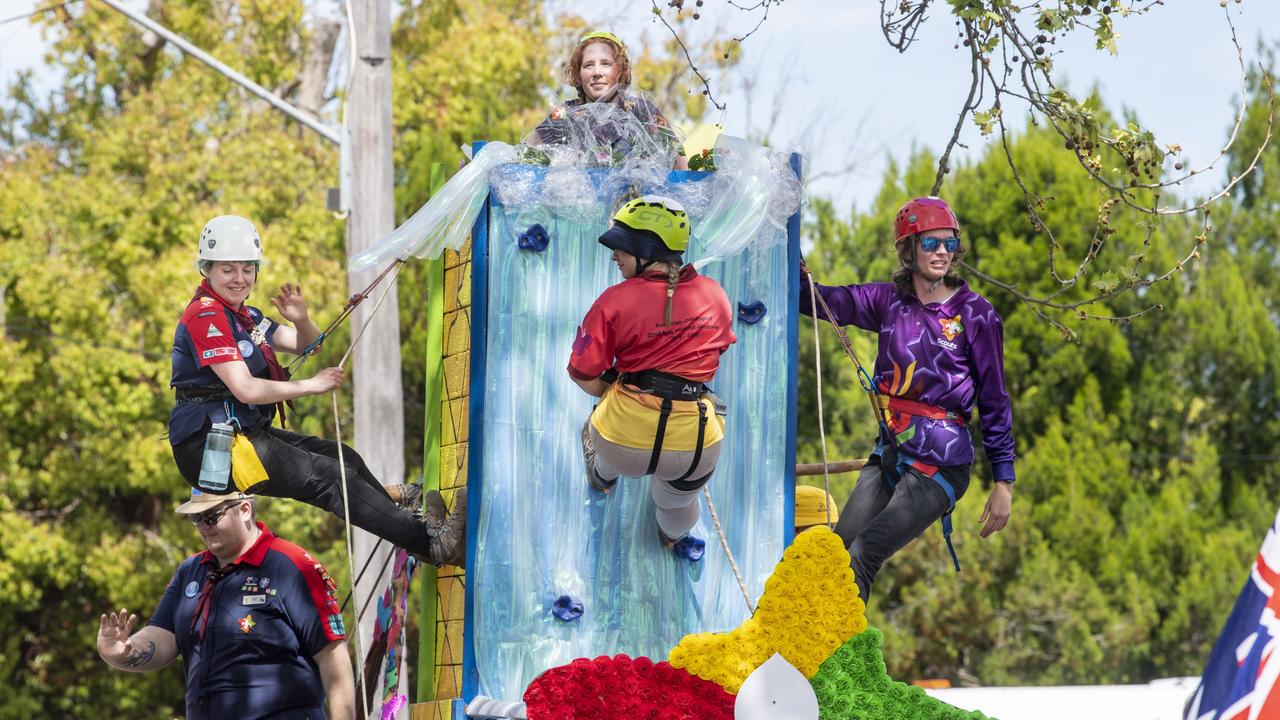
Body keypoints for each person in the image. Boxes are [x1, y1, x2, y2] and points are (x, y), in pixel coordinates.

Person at [168, 215, 466, 567]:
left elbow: (307, 346)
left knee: (343, 458)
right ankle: (434, 545)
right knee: (327, 478)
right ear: (207, 270)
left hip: (240, 435)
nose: (239, 278)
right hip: (208, 447)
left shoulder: (244, 316)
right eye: (228, 270)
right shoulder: (205, 317)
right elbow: (245, 389)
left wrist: (301, 319)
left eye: (247, 269)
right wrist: (311, 386)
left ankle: (414, 531)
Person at [800, 196, 1016, 604]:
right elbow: (822, 300)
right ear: (909, 248)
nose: (941, 253)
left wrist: (1003, 481)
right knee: (835, 553)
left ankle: (844, 663)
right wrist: (785, 247)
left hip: (942, 465)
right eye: (931, 243)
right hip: (891, 454)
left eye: (949, 244)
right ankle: (808, 653)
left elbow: (995, 400)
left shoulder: (977, 315)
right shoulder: (888, 302)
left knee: (862, 554)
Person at [568, 195, 736, 557]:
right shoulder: (715, 295)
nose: (614, 255)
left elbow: (582, 374)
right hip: (695, 447)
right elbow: (716, 352)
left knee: (604, 429)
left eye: (621, 247)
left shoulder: (613, 300)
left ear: (645, 250)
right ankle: (671, 535)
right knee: (675, 501)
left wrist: (613, 387)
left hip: (622, 441)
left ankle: (602, 475)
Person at [97, 490, 355, 720]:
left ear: (245, 509)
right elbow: (164, 636)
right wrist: (124, 652)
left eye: (211, 516)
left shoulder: (291, 564)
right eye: (196, 518)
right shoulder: (190, 571)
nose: (203, 527)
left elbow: (333, 657)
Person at [528, 31, 688, 169]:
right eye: (588, 65)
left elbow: (679, 164)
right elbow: (527, 154)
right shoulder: (565, 114)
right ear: (578, 74)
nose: (597, 72)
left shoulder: (641, 110)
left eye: (606, 64)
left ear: (621, 71)